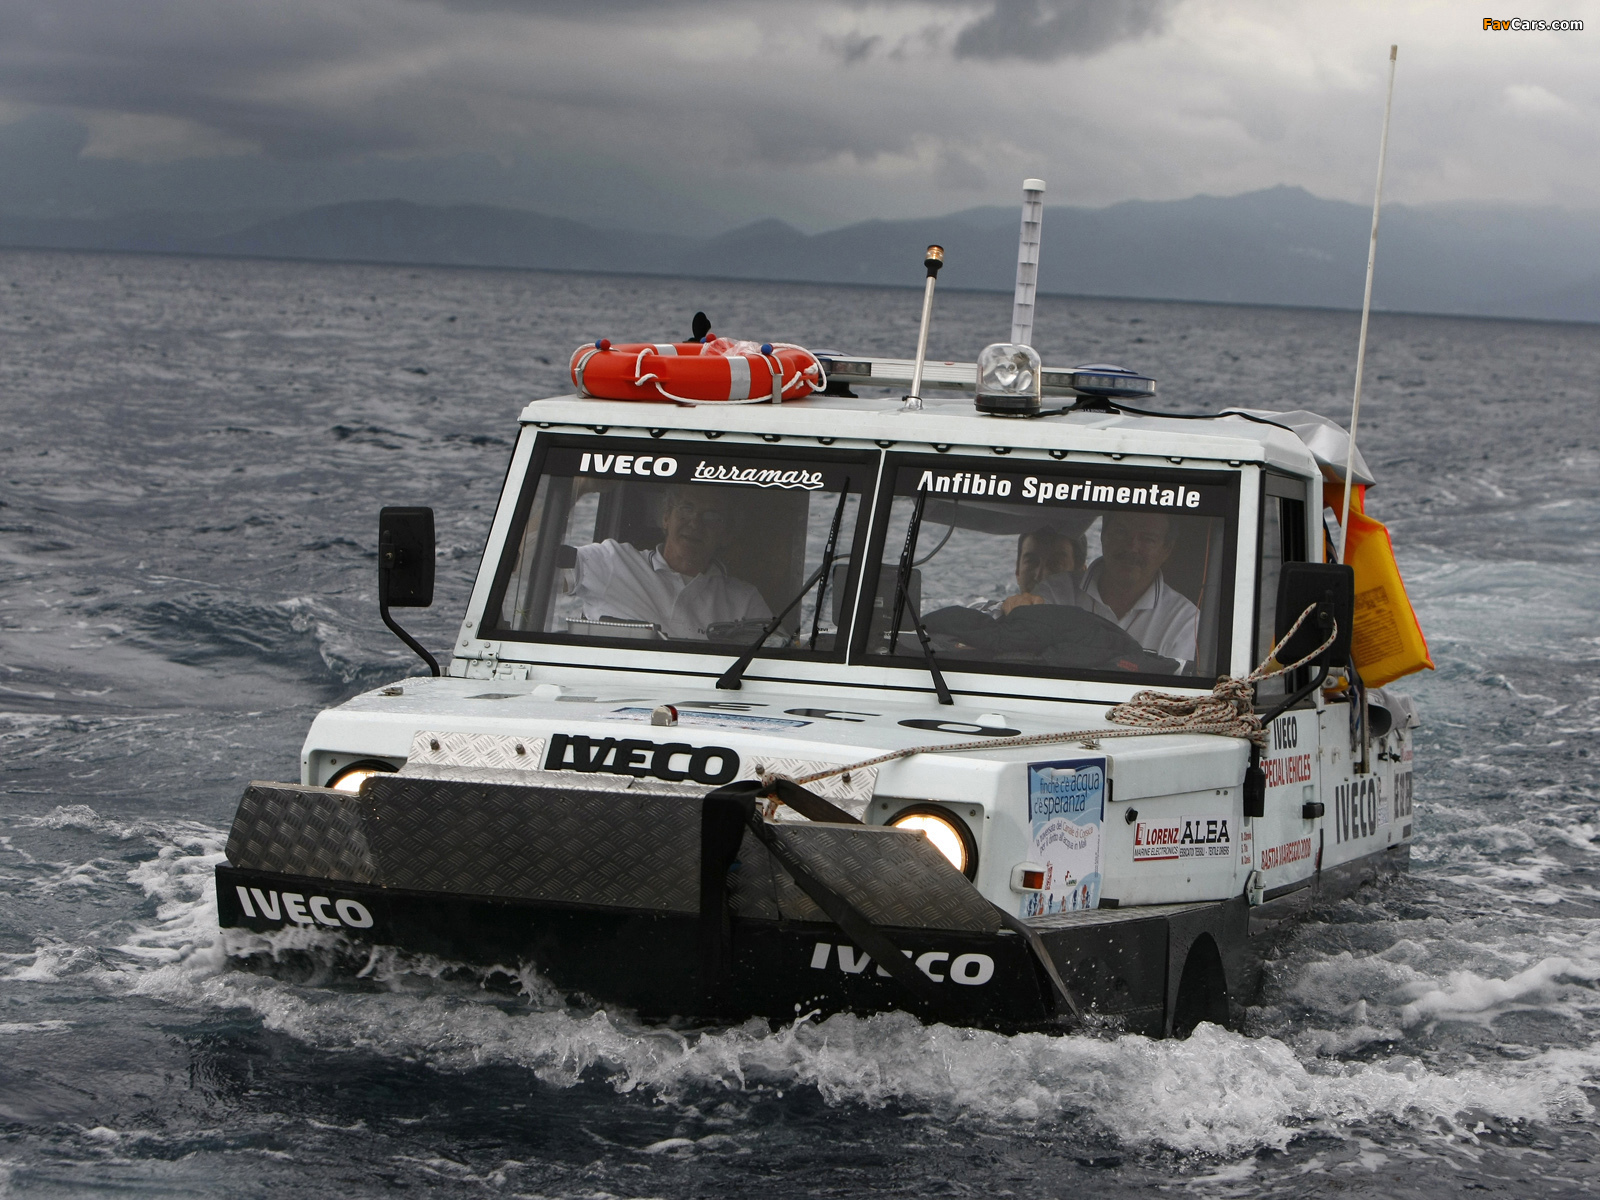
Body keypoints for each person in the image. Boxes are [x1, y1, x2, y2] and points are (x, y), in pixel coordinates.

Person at [567, 486, 771, 639]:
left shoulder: (745, 601)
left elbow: (774, 656)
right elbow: (546, 569)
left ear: (726, 534)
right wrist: (580, 488)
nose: (695, 523)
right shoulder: (613, 560)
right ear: (666, 517)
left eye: (711, 516)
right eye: (686, 508)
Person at [1048, 511, 1198, 662]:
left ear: (1167, 549)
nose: (1132, 547)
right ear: (1103, 535)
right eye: (1121, 532)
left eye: (1147, 539)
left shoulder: (1186, 621)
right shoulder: (1054, 591)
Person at [998, 526, 1081, 616]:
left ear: (1081, 576)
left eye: (1055, 564)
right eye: (1031, 562)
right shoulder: (999, 615)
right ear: (1017, 572)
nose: (1041, 576)